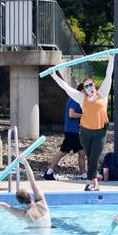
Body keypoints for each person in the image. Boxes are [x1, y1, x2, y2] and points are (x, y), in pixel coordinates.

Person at [49, 56, 114, 191]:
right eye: (86, 86)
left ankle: (93, 183)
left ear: (94, 86)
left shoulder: (103, 93)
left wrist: (112, 59)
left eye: (91, 84)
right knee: (90, 157)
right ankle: (92, 182)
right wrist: (54, 76)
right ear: (84, 89)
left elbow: (108, 76)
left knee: (94, 157)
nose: (89, 87)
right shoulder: (81, 98)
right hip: (85, 132)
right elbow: (66, 88)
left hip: (100, 132)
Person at [0, 155, 51, 229]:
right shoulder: (42, 203)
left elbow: (6, 206)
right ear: (29, 195)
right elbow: (32, 181)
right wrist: (25, 163)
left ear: (20, 203)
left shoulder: (25, 215)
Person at [44, 83, 87, 181]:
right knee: (63, 151)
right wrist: (85, 115)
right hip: (72, 131)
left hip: (76, 131)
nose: (87, 92)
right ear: (81, 91)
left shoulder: (79, 100)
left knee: (81, 153)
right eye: (85, 89)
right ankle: (49, 171)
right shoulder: (75, 99)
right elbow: (71, 114)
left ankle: (84, 174)